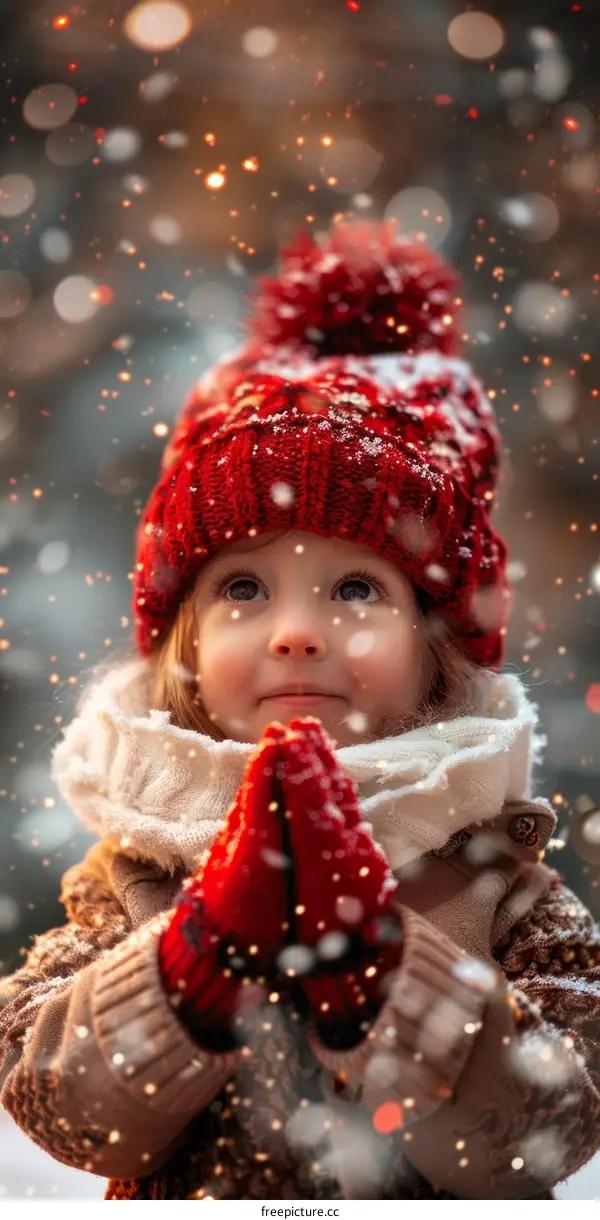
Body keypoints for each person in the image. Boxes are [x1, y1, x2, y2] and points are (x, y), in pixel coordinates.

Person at [1, 220, 600, 1201]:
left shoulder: (502, 877)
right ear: (185, 647)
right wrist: (194, 953)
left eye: (356, 589)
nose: (295, 632)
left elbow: (550, 1127)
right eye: (243, 587)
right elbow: (64, 1107)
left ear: (436, 643)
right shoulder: (133, 874)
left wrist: (388, 961)